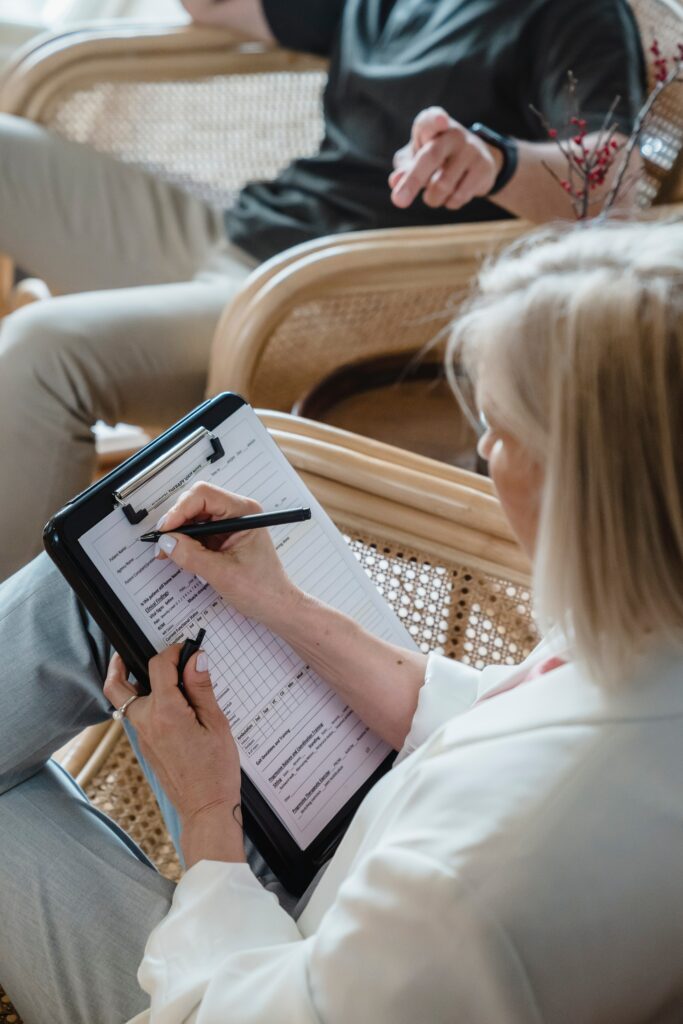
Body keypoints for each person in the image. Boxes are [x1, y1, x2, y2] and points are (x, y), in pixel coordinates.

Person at [2, 217, 683, 1024]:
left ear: (590, 493)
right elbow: (485, 712)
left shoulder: (478, 880)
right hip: (357, 867)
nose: (478, 449)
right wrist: (285, 606)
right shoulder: (652, 621)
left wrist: (207, 815)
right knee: (110, 585)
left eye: (497, 431)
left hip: (251, 980)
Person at [0, 0, 645, 581]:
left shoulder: (573, 13)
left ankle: (19, 677)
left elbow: (614, 184)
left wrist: (494, 161)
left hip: (317, 303)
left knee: (41, 351)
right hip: (244, 232)